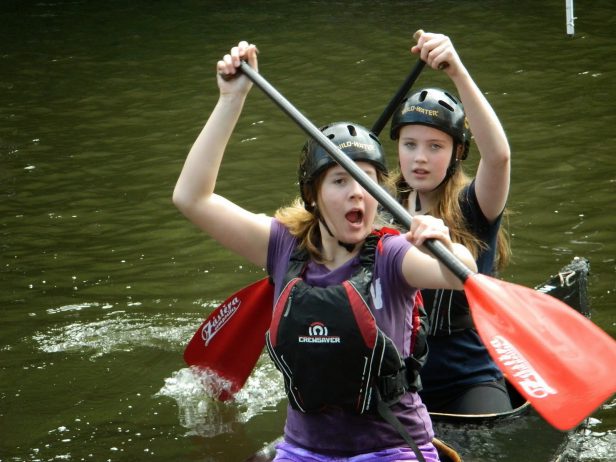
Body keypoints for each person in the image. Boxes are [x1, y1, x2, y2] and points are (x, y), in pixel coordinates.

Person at [173, 41, 477, 462]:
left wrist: (441, 240)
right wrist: (231, 99)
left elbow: (462, 273)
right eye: (339, 181)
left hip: (391, 448)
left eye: (368, 180)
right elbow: (192, 198)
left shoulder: (392, 254)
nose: (357, 192)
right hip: (304, 451)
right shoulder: (282, 246)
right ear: (312, 197)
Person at [388, 31, 512, 415]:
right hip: (396, 381)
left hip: (468, 380)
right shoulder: (376, 203)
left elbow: (499, 157)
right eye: (410, 144)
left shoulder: (473, 206)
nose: (420, 158)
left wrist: (456, 71)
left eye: (435, 146)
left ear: (458, 151)